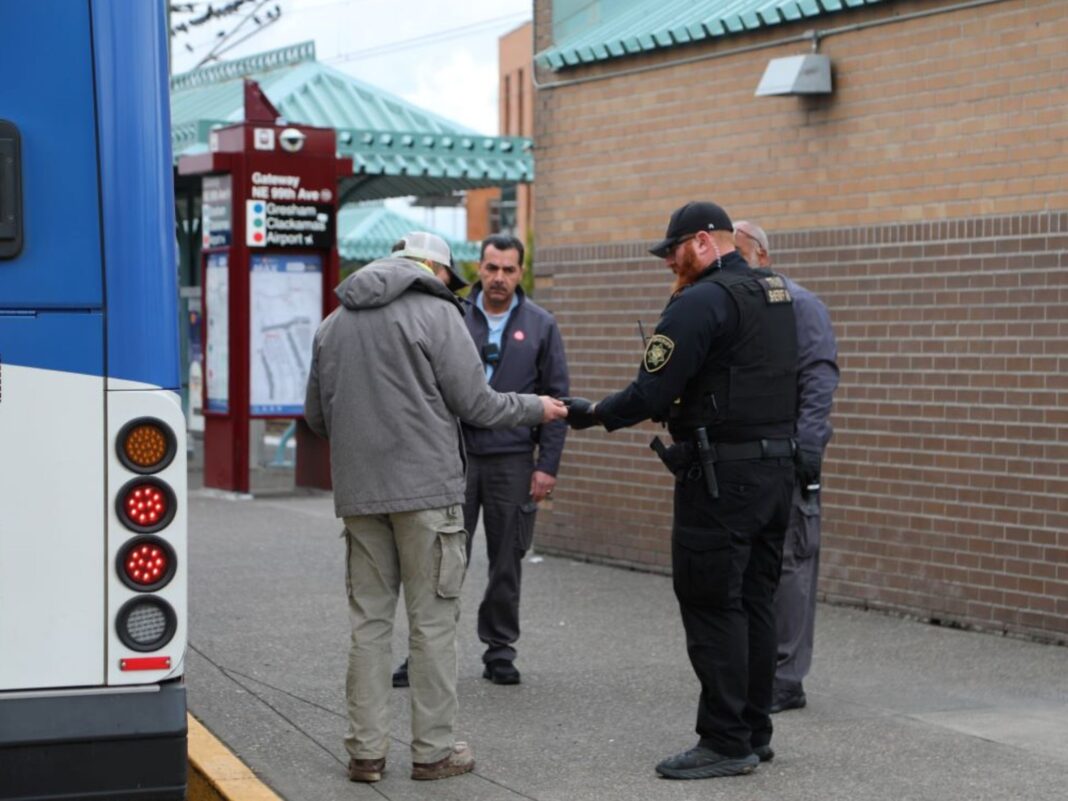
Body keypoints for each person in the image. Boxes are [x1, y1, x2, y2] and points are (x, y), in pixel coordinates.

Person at [304, 231, 568, 784]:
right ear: (434, 269)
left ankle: (365, 753)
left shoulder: (334, 323)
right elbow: (478, 403)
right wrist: (536, 407)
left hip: (360, 496)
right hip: (428, 495)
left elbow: (317, 418)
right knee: (432, 623)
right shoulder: (438, 313)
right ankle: (433, 752)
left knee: (369, 625)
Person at [563, 201, 798, 780]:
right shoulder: (775, 293)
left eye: (672, 252)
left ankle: (724, 741)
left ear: (700, 241)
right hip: (774, 471)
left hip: (721, 479)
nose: (669, 263)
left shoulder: (700, 302)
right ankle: (753, 730)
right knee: (755, 600)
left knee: (712, 601)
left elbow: (648, 393)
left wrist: (590, 413)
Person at [393, 234, 569, 689]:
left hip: (513, 461)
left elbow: (558, 399)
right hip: (456, 458)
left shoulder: (541, 325)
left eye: (509, 270)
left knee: (507, 560)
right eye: (491, 268)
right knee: (441, 563)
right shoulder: (450, 314)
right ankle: (424, 656)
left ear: (520, 272)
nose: (499, 279)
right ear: (479, 267)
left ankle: (500, 651)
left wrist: (546, 465)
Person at [734, 220, 839, 714]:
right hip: (750, 460)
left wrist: (808, 448)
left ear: (762, 256)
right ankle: (758, 671)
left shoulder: (801, 305)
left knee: (792, 565)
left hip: (792, 456)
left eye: (737, 255)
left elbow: (819, 377)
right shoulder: (733, 307)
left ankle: (786, 678)